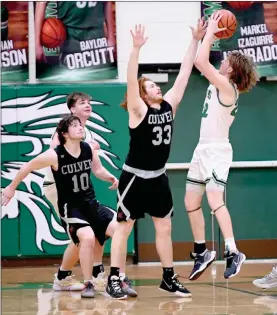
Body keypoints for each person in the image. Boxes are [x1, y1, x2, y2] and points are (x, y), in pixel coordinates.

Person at [106, 21, 207, 299]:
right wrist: (136, 50)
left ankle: (168, 277)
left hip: (158, 177)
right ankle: (114, 277)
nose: (156, 87)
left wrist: (195, 40)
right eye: (150, 85)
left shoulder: (169, 105)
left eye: (155, 85)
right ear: (142, 93)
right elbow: (130, 80)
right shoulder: (138, 110)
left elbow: (185, 74)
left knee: (165, 227)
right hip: (135, 177)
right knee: (125, 227)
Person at [1, 115, 119, 298]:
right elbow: (27, 167)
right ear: (64, 133)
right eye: (74, 125)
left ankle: (119, 278)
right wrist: (10, 188)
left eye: (80, 125)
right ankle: (89, 283)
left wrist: (109, 176)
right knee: (87, 237)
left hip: (91, 204)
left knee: (120, 229)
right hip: (71, 208)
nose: (80, 127)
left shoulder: (88, 148)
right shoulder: (55, 154)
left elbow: (97, 169)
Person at [184, 12, 259, 281]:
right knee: (191, 201)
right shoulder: (221, 81)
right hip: (202, 148)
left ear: (231, 70)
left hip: (217, 150)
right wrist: (201, 37)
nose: (222, 60)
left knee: (214, 200)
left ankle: (232, 250)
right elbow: (200, 61)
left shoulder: (228, 87)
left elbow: (200, 61)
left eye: (226, 60)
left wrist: (212, 33)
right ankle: (202, 251)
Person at [43, 92, 137, 297]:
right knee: (82, 234)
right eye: (82, 103)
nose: (87, 105)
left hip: (80, 193)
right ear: (71, 110)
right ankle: (84, 275)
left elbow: (97, 168)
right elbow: (56, 158)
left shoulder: (88, 133)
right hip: (58, 188)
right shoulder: (63, 132)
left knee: (91, 232)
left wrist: (111, 176)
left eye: (89, 102)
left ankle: (83, 274)